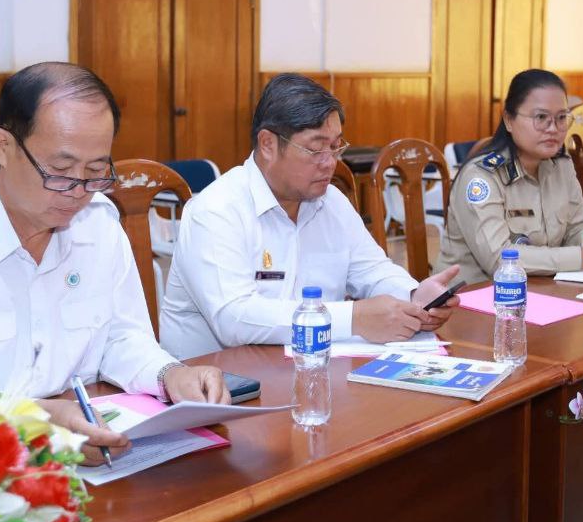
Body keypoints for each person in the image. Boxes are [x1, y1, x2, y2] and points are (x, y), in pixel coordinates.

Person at [0, 62, 228, 466]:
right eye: (59, 170)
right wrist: (35, 420)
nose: (78, 191)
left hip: (91, 455)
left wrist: (170, 375)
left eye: (95, 171)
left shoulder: (99, 223)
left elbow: (121, 337)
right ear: (3, 147)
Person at [160, 74, 461, 360]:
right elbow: (235, 318)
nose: (330, 163)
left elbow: (372, 270)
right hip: (219, 380)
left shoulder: (331, 202)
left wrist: (413, 295)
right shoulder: (216, 210)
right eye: (316, 149)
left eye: (335, 146)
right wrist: (353, 318)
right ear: (268, 144)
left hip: (308, 369)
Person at [437, 69, 583, 284]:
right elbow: (499, 259)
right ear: (508, 120)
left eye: (561, 118)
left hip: (538, 290)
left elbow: (577, 227)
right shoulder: (481, 177)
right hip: (472, 296)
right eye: (541, 117)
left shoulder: (561, 165)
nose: (553, 129)